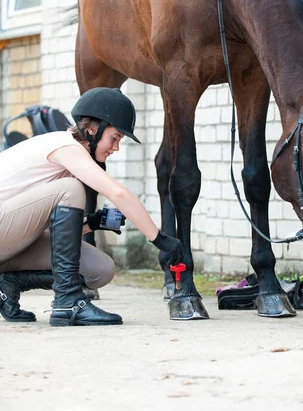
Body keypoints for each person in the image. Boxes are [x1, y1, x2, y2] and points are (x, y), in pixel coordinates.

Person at [0, 87, 184, 327]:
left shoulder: (68, 165)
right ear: (93, 129)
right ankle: (68, 302)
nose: (116, 147)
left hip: (8, 241)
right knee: (69, 189)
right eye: (115, 137)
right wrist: (160, 240)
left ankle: (8, 284)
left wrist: (93, 223)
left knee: (100, 269)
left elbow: (46, 233)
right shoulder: (65, 147)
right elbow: (118, 193)